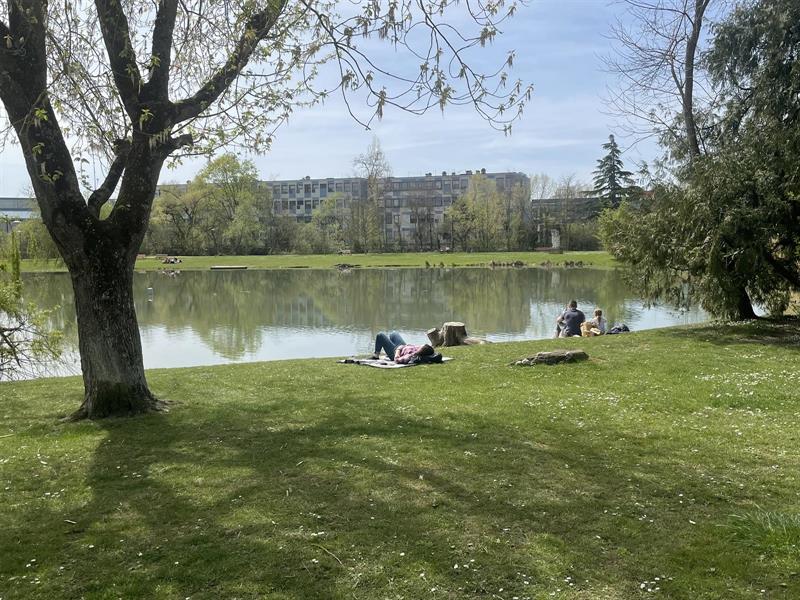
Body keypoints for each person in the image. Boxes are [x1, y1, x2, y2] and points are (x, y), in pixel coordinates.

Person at [371, 331, 435, 363]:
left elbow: (397, 360)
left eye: (422, 346)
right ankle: (389, 349)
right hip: (403, 346)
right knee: (393, 333)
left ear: (422, 349)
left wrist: (398, 350)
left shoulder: (411, 355)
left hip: (396, 352)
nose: (421, 345)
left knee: (380, 335)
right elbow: (432, 351)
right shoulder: (420, 349)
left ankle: (376, 355)